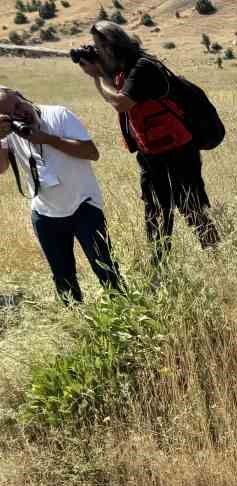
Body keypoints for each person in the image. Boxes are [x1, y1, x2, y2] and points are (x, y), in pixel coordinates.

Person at [75, 22, 219, 259]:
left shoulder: (143, 67)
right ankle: (160, 271)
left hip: (179, 152)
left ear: (113, 45)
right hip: (151, 156)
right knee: (156, 217)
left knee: (192, 211)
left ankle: (218, 259)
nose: (96, 50)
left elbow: (121, 103)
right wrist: (101, 71)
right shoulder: (122, 71)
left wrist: (97, 77)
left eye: (100, 46)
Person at [0, 86, 121, 304]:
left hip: (83, 206)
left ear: (21, 95)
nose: (21, 113)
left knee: (106, 270)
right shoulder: (9, 135)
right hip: (45, 213)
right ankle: (77, 323)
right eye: (12, 114)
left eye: (19, 104)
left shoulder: (58, 114)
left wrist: (47, 139)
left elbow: (91, 153)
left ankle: (126, 316)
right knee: (63, 278)